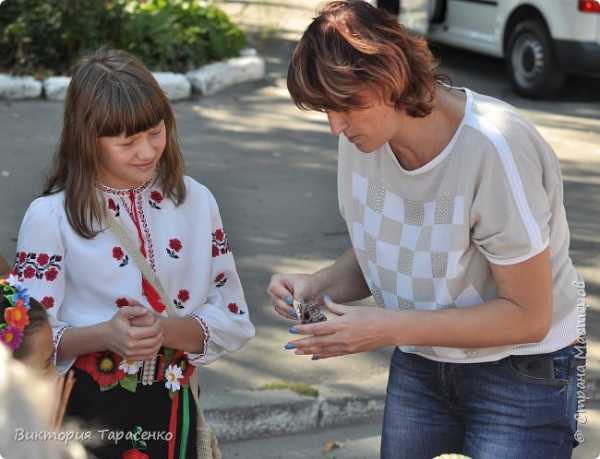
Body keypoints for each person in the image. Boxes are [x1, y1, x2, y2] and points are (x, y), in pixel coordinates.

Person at [268, 2, 585, 458]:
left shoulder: (494, 150)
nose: (336, 127)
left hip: (521, 374)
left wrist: (387, 327)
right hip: (421, 361)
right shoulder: (364, 138)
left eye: (345, 107)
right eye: (326, 110)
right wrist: (316, 286)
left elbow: (528, 316)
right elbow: (398, 245)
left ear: (390, 78)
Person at [12, 48, 255, 459]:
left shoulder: (195, 200)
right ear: (87, 139)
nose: (147, 151)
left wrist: (163, 331)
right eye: (128, 142)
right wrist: (104, 335)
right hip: (81, 417)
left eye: (156, 133)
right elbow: (20, 339)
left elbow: (232, 318)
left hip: (174, 412)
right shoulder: (50, 217)